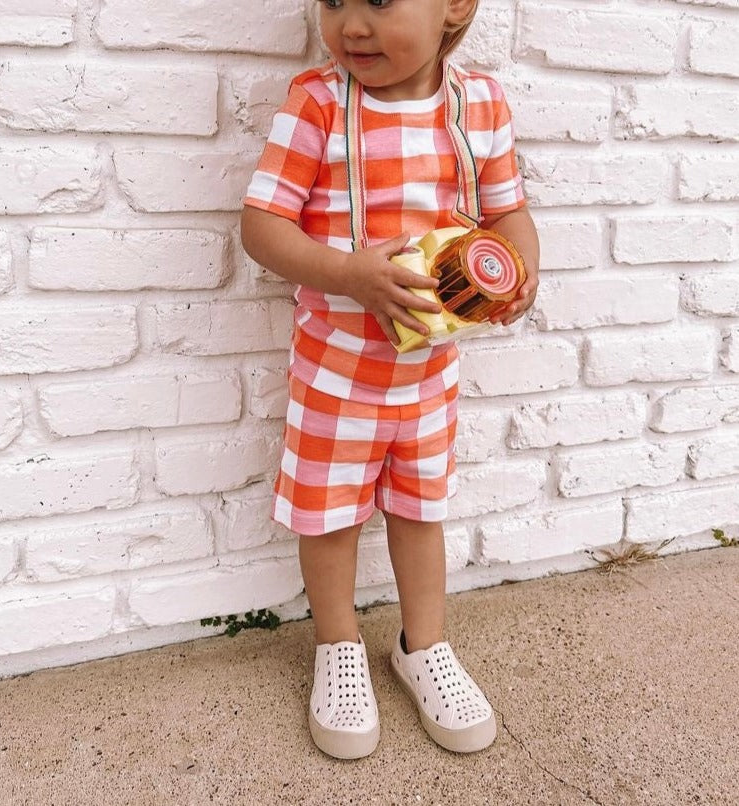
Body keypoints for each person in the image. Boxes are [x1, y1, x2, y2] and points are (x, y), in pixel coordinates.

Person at [240, 0, 539, 760]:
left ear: (456, 7)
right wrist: (347, 272)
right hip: (337, 371)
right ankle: (338, 646)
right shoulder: (318, 101)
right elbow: (263, 225)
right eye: (334, 2)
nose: (352, 26)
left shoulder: (480, 105)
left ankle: (422, 645)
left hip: (431, 371)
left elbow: (507, 213)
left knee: (419, 509)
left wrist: (519, 273)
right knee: (330, 515)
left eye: (378, 0)